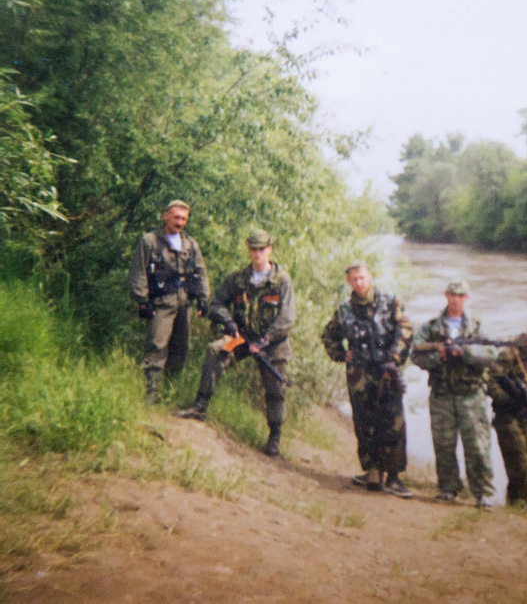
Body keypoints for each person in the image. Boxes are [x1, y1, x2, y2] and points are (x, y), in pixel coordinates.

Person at [175, 230, 295, 457]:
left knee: (275, 389)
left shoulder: (281, 280)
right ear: (248, 250)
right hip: (242, 337)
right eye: (253, 249)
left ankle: (274, 437)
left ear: (269, 249)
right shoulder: (238, 279)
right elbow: (217, 302)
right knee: (215, 350)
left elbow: (287, 318)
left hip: (271, 342)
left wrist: (264, 341)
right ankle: (200, 407)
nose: (257, 254)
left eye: (261, 249)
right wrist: (228, 321)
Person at [321, 261, 413, 497]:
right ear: (348, 282)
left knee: (393, 421)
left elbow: (405, 330)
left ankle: (393, 476)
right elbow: (329, 335)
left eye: (362, 278)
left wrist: (393, 359)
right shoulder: (345, 310)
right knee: (364, 421)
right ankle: (372, 469)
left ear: (369, 277)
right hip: (359, 374)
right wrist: (341, 354)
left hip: (386, 369)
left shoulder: (390, 302)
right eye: (354, 279)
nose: (359, 283)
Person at [411, 281, 499, 509]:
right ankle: (448, 488)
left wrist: (465, 352)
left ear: (466, 297)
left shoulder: (478, 326)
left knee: (478, 446)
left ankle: (483, 493)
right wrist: (438, 357)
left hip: (472, 395)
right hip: (442, 394)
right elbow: (416, 354)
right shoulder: (431, 326)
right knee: (443, 443)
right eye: (452, 294)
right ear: (446, 295)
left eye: (460, 295)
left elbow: (492, 352)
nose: (456, 299)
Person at [128, 199, 210, 403]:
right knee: (157, 344)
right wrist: (142, 299)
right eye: (176, 217)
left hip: (185, 302)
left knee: (181, 348)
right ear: (166, 216)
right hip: (162, 301)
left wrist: (203, 299)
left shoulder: (190, 244)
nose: (180, 222)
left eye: (184, 219)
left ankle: (171, 392)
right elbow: (138, 270)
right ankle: (152, 393)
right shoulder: (150, 241)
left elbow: (200, 272)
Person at [489, 317, 527, 509]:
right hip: (507, 417)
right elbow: (490, 382)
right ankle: (514, 508)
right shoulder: (510, 352)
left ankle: (524, 509)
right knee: (520, 467)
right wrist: (509, 400)